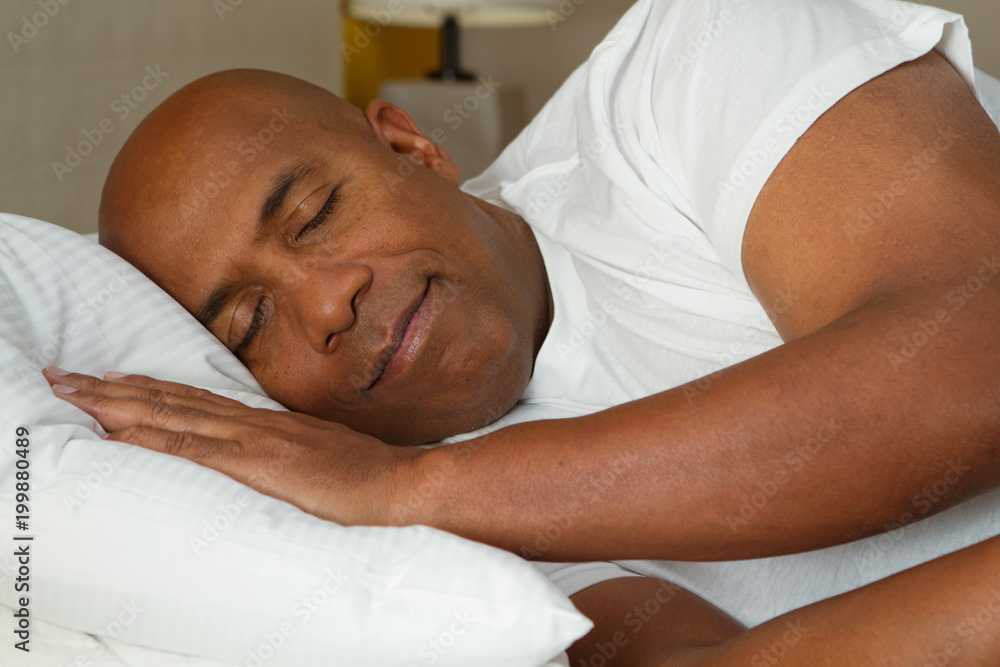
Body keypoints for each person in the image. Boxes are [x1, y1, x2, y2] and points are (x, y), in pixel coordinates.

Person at [42, 0, 1000, 662]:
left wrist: (407, 488)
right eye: (250, 324)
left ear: (413, 145)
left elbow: (971, 355)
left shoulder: (695, 56)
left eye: (316, 213)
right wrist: (404, 498)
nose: (326, 304)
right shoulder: (408, 542)